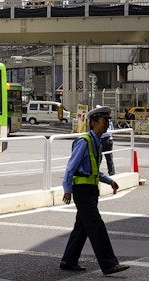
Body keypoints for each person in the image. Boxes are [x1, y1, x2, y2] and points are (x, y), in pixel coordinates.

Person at [60, 106, 129, 275]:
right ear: (93, 123)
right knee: (97, 226)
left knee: (82, 227)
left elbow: (93, 170)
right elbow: (71, 168)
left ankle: (68, 260)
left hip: (91, 190)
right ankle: (109, 264)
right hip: (82, 191)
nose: (107, 124)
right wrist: (67, 189)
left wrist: (109, 181)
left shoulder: (97, 142)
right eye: (104, 121)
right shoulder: (84, 141)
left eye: (108, 121)